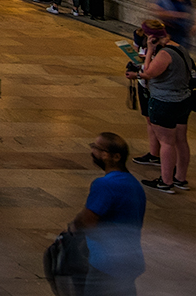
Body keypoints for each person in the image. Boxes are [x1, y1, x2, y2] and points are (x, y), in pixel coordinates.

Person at [68, 132, 148, 294]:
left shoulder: (105, 185)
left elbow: (87, 221)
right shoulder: (134, 185)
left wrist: (72, 228)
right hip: (130, 261)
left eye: (98, 149)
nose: (93, 152)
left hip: (106, 264)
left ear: (115, 156)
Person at [126, 18, 191, 192]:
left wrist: (150, 51)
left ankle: (166, 181)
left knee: (167, 143)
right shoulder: (180, 48)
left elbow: (148, 73)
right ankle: (180, 179)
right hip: (183, 100)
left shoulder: (164, 54)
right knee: (181, 141)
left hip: (165, 102)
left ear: (150, 36)